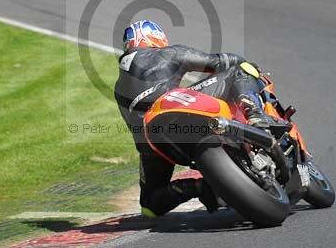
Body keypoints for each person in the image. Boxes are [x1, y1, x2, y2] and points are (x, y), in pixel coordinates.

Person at [113, 19, 271, 218]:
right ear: (154, 38)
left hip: (153, 144)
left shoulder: (118, 87)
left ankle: (197, 187)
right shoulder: (168, 53)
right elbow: (219, 61)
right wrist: (247, 65)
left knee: (150, 206)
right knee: (240, 70)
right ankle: (255, 115)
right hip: (179, 111)